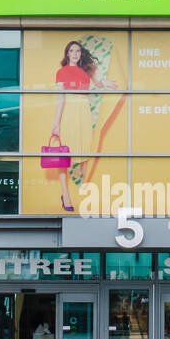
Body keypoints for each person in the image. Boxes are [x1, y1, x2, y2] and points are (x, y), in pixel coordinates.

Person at [50, 39, 121, 212]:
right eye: (72, 51)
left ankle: (82, 184)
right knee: (64, 153)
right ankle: (65, 194)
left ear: (80, 54)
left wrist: (107, 83)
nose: (75, 54)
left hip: (84, 110)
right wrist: (56, 122)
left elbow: (98, 83)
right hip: (68, 112)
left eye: (78, 51)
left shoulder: (85, 70)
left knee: (85, 147)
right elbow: (61, 99)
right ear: (67, 54)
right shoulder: (61, 72)